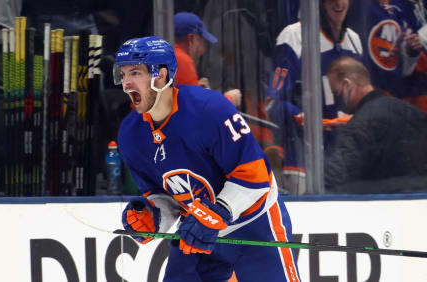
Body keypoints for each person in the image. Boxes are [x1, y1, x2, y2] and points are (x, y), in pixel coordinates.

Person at [114, 36, 300, 281]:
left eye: (135, 73)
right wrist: (153, 219)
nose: (126, 83)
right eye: (123, 74)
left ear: (160, 74)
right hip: (198, 233)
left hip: (254, 224)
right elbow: (165, 195)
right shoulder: (131, 136)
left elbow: (255, 176)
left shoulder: (209, 109)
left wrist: (217, 213)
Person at [265, 0, 363, 194]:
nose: (338, 3)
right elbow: (272, 104)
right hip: (303, 158)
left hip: (347, 155)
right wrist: (305, 119)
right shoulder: (294, 36)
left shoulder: (354, 40)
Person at [325, 56, 427, 193]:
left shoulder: (362, 122)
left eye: (336, 93)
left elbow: (336, 178)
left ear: (347, 85)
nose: (337, 101)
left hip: (380, 207)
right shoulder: (413, 112)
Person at [174, 12, 242, 108]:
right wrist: (229, 99)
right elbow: (199, 110)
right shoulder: (181, 59)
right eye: (201, 41)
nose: (203, 50)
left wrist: (198, 88)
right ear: (191, 39)